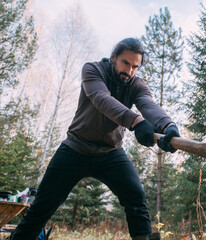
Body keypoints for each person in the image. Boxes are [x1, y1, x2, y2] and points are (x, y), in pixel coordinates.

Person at [11, 38, 180, 240]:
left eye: (135, 66)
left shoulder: (136, 85)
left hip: (111, 153)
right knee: (42, 207)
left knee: (136, 198)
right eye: (125, 63)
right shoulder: (93, 70)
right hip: (75, 148)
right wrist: (136, 122)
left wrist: (168, 125)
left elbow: (148, 104)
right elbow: (101, 98)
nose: (130, 71)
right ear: (114, 57)